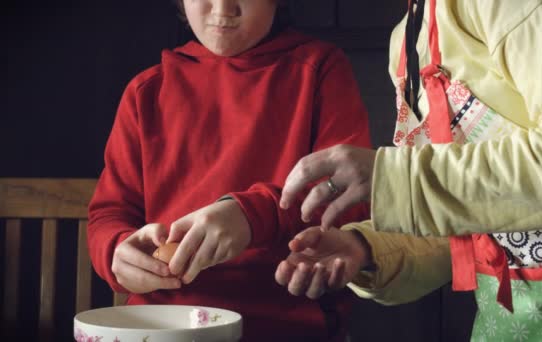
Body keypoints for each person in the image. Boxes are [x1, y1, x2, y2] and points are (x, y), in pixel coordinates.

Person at [276, 0, 542, 340]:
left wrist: (393, 178)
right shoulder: (407, 39)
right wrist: (364, 246)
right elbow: (461, 213)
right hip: (511, 325)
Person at [87, 0, 371, 340]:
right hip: (163, 323)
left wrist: (252, 217)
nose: (223, 9)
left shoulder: (319, 69)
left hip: (285, 323)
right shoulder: (146, 91)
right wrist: (117, 252)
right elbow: (110, 213)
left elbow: (348, 195)